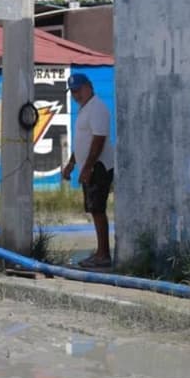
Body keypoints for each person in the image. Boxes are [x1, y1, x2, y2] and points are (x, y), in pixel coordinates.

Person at [61, 73, 115, 269]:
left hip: (98, 167)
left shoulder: (97, 108)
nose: (76, 95)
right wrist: (72, 163)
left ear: (89, 87)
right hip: (89, 167)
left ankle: (103, 254)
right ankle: (101, 252)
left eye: (78, 90)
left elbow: (98, 140)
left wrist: (88, 167)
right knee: (94, 209)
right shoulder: (85, 109)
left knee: (98, 210)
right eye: (73, 92)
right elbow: (83, 142)